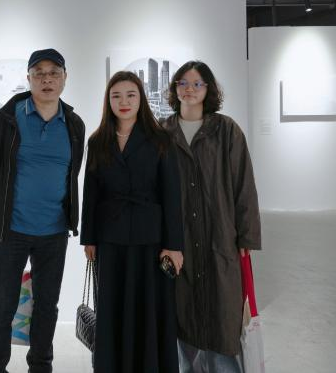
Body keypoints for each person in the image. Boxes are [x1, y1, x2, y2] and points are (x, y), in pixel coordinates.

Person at [0, 48, 85, 373]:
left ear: (65, 78)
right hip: (9, 230)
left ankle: (40, 366)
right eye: (39, 74)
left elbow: (73, 172)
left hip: (54, 232)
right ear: (29, 79)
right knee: (2, 306)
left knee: (47, 306)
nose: (47, 80)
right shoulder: (6, 119)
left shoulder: (74, 124)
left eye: (54, 73)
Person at [81, 70, 184, 373]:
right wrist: (89, 238)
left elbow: (172, 195)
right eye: (116, 96)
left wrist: (174, 245)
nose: (123, 102)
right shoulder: (98, 141)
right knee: (112, 308)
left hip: (150, 239)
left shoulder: (161, 140)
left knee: (149, 308)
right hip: (110, 237)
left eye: (130, 95)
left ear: (141, 99)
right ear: (108, 101)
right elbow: (90, 193)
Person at [163, 61, 262, 373]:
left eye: (197, 83)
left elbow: (244, 184)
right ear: (174, 88)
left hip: (220, 238)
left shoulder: (226, 130)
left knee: (223, 320)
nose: (189, 89)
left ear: (208, 89)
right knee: (181, 319)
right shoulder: (163, 132)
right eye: (183, 83)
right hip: (177, 241)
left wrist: (246, 236)